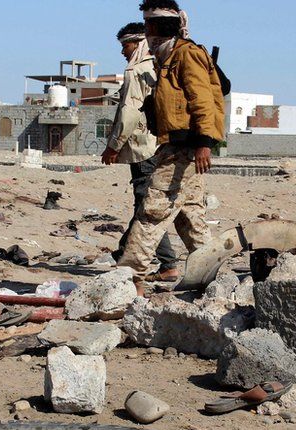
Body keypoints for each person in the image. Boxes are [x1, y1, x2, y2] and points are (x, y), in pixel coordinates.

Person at [118, 0, 225, 293]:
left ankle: (129, 279)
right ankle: (212, 276)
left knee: (152, 212)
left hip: (185, 148)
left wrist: (203, 144)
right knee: (191, 219)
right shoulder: (167, 56)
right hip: (176, 146)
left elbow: (202, 99)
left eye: (149, 25)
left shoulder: (186, 55)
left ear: (160, 27)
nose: (146, 32)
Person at [102, 22, 180, 282]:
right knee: (147, 204)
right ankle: (139, 256)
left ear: (137, 43)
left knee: (145, 206)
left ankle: (163, 263)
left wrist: (113, 145)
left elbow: (129, 112)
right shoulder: (160, 66)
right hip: (160, 144)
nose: (123, 52)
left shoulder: (136, 71)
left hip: (142, 148)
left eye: (125, 46)